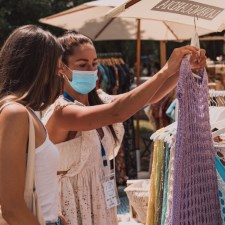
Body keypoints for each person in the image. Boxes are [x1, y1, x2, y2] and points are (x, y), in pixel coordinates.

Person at [42, 31, 206, 225]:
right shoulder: (62, 113)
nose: (91, 70)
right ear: (61, 68)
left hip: (100, 203)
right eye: (82, 64)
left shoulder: (99, 99)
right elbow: (118, 113)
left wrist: (181, 69)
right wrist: (166, 70)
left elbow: (149, 97)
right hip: (71, 209)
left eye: (94, 63)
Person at [0, 25, 67, 225]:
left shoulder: (26, 112)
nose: (60, 72)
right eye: (56, 66)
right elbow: (12, 208)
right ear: (38, 66)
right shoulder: (15, 114)